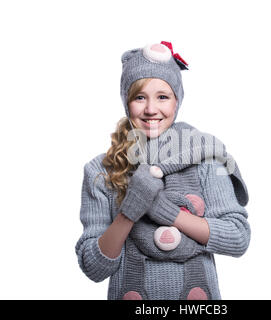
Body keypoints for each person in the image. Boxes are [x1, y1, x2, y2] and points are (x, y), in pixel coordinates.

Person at [75, 41, 251, 300]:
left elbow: (237, 238)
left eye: (162, 97)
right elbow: (94, 267)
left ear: (176, 101)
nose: (150, 109)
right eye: (139, 97)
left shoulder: (206, 158)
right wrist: (130, 211)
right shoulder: (101, 171)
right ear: (127, 101)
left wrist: (166, 212)